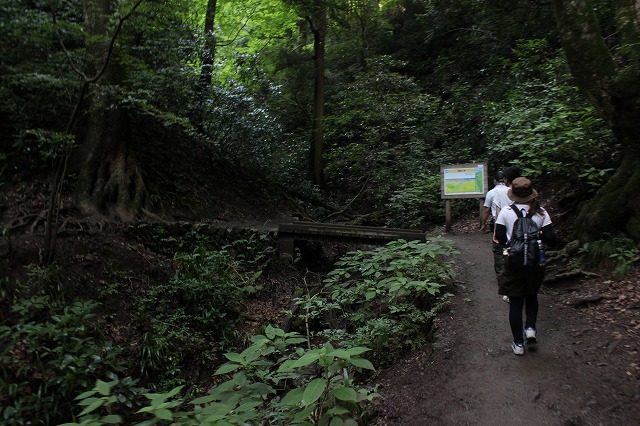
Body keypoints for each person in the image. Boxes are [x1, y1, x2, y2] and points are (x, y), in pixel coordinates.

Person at [494, 177, 562, 356]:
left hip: (513, 263)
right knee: (532, 296)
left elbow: (499, 237)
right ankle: (530, 328)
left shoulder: (506, 212)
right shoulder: (541, 212)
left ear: (513, 194)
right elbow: (549, 238)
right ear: (531, 193)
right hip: (535, 262)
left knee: (515, 302)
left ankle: (518, 344)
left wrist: (511, 243)